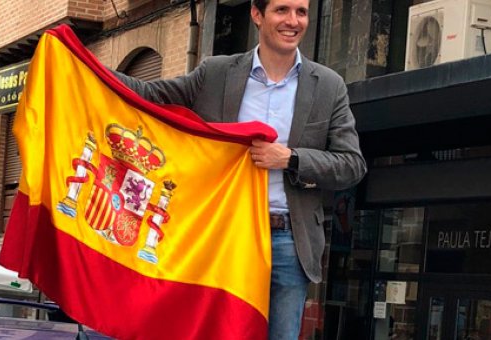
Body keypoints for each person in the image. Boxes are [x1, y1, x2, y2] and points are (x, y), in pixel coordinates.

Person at [111, 0, 366, 338]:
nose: (293, 21)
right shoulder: (216, 72)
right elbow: (150, 94)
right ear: (257, 14)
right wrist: (81, 66)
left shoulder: (329, 85)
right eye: (282, 10)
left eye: (301, 12)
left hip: (288, 240)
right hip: (222, 233)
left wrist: (291, 158)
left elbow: (352, 165)